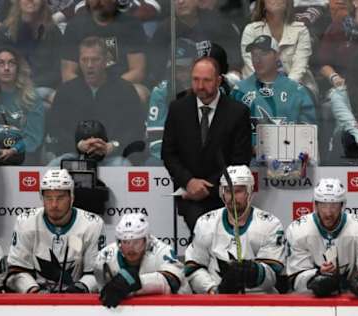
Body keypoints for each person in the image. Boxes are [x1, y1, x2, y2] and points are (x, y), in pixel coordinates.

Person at [161, 56, 252, 235]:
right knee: (203, 231)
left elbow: (240, 159)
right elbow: (169, 153)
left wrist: (209, 186)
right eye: (196, 79)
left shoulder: (238, 112)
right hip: (189, 192)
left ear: (219, 80)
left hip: (225, 193)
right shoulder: (178, 109)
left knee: (219, 235)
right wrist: (189, 182)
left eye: (206, 80)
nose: (200, 86)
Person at [184, 165, 285, 294]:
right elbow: (193, 267)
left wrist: (254, 272)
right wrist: (213, 290)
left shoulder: (270, 224)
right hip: (217, 302)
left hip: (258, 303)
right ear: (222, 193)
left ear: (249, 192)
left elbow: (274, 274)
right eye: (228, 191)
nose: (232, 197)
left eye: (238, 191)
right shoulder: (205, 223)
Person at [47, 36, 146, 165]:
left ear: (106, 61)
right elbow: (56, 129)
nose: (89, 65)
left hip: (113, 156)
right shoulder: (66, 91)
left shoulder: (125, 89)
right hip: (74, 154)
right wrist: (78, 144)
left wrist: (113, 146)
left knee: (122, 166)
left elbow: (135, 129)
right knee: (54, 166)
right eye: (84, 60)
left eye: (95, 60)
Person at [5, 169, 106, 293]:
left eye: (60, 198)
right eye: (48, 198)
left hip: (76, 299)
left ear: (71, 197)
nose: (54, 204)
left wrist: (79, 289)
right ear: (42, 198)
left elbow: (96, 273)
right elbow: (16, 270)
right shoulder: (26, 221)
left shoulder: (92, 224)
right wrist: (33, 290)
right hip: (36, 298)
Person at [286, 178, 358, 298]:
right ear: (316, 205)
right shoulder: (298, 230)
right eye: (323, 205)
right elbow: (296, 278)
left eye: (334, 206)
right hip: (311, 299)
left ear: (342, 205)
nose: (328, 213)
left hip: (351, 299)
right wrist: (317, 276)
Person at [61, 0, 148, 101]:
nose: (98, 2)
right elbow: (68, 73)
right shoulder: (75, 26)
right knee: (61, 95)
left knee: (140, 93)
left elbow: (138, 71)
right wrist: (87, 91)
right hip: (84, 88)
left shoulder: (130, 25)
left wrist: (107, 89)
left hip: (120, 85)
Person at [94, 213, 186, 308]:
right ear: (119, 242)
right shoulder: (105, 257)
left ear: (146, 240)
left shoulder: (162, 251)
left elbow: (172, 280)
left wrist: (135, 282)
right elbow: (102, 291)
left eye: (136, 242)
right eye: (125, 242)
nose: (131, 249)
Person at [232, 35, 316, 136]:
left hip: (288, 150)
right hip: (248, 151)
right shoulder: (239, 91)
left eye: (264, 54)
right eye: (254, 54)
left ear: (277, 55)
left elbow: (308, 135)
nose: (258, 60)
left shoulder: (297, 91)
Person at [150, 0, 242, 84]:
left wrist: (231, 74)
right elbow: (157, 69)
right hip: (178, 86)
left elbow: (233, 57)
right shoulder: (164, 30)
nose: (180, 2)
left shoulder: (218, 23)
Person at [0, 46, 44, 165]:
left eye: (11, 63)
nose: (6, 68)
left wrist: (14, 150)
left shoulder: (32, 98)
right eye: (1, 63)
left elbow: (34, 137)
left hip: (23, 158)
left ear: (18, 68)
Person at [241, 0, 317, 96]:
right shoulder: (251, 30)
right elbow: (251, 67)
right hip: (258, 88)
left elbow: (299, 68)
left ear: (287, 3)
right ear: (262, 3)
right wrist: (268, 91)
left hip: (296, 87)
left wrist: (282, 90)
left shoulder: (301, 30)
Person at [0, 0, 62, 105]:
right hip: (14, 89)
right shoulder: (5, 31)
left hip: (44, 87)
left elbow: (58, 70)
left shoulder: (52, 31)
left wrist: (34, 87)